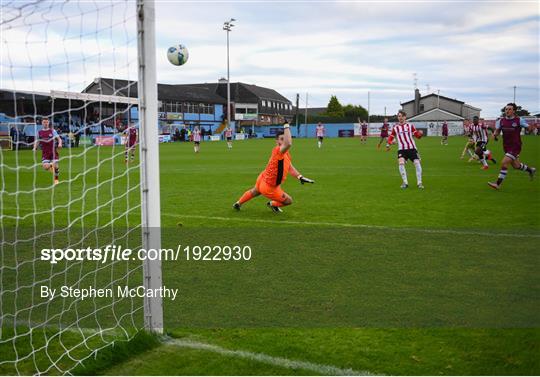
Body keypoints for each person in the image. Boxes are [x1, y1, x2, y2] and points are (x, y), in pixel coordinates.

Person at [233, 121, 314, 213]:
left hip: (263, 177)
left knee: (254, 191)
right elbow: (288, 144)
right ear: (277, 141)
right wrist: (286, 125)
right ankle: (272, 204)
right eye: (281, 139)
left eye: (285, 138)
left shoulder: (285, 153)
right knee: (288, 201)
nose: (284, 141)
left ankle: (238, 203)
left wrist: (300, 177)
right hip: (269, 186)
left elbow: (290, 167)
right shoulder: (278, 151)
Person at [488, 103, 536, 190]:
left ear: (514, 111)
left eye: (510, 109)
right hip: (506, 146)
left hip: (515, 146)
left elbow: (529, 128)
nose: (507, 111)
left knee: (504, 162)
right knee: (516, 165)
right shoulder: (500, 121)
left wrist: (530, 128)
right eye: (506, 109)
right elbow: (498, 131)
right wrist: (495, 135)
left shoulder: (519, 120)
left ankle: (498, 184)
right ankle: (530, 170)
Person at [386, 110, 424, 189]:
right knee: (401, 163)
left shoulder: (410, 126)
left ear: (405, 117)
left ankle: (419, 183)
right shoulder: (395, 128)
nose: (400, 118)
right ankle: (405, 183)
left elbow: (417, 136)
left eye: (402, 116)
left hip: (412, 148)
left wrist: (420, 134)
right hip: (401, 150)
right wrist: (390, 142)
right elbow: (390, 138)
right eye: (399, 116)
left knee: (417, 163)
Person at [33, 118, 62, 185]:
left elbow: (59, 139)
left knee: (56, 166)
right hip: (45, 152)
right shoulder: (39, 132)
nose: (45, 123)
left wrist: (60, 143)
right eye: (44, 122)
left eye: (47, 122)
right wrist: (35, 148)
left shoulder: (52, 131)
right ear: (42, 123)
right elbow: (37, 141)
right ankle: (53, 166)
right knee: (46, 167)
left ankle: (56, 179)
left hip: (53, 151)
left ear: (49, 123)